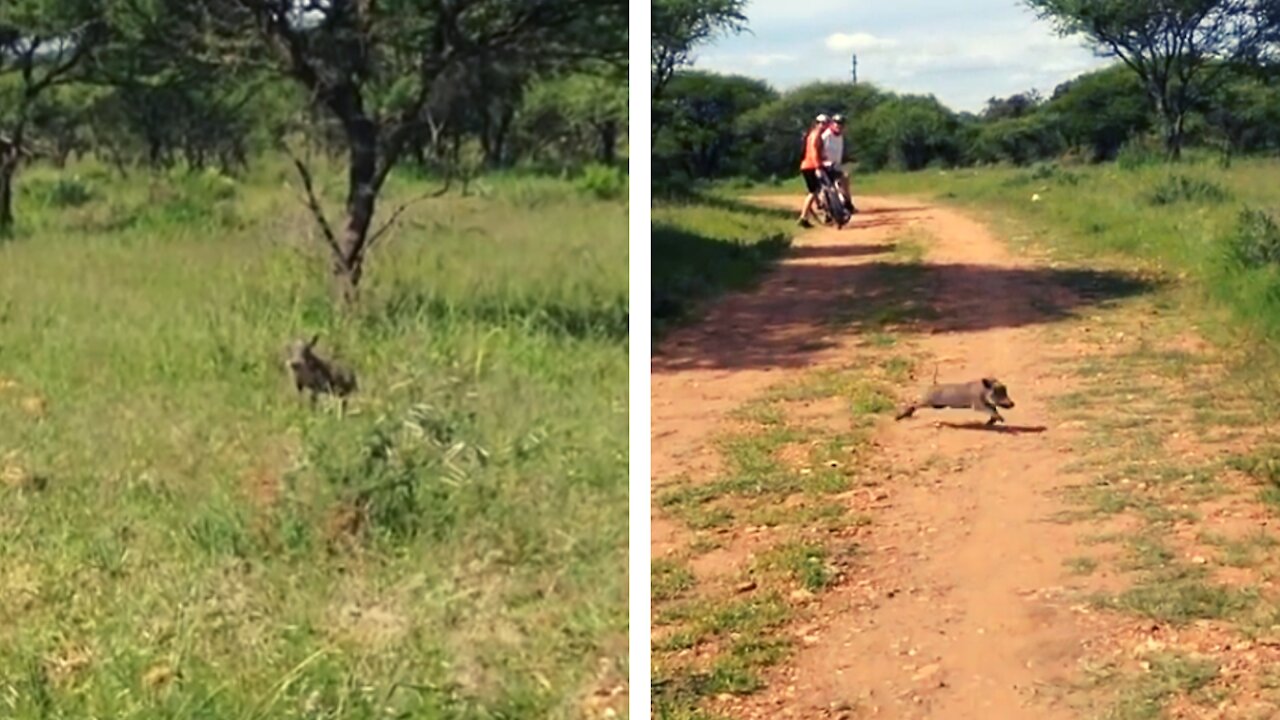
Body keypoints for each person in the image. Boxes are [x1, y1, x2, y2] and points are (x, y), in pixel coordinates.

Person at [797, 113, 830, 227]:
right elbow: (813, 152)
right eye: (820, 123)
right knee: (814, 192)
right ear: (816, 123)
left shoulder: (815, 134)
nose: (823, 125)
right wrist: (818, 166)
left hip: (809, 165)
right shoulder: (815, 135)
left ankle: (823, 210)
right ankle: (803, 217)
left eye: (825, 123)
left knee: (817, 190)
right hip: (810, 166)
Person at [821, 114, 855, 214]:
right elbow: (818, 149)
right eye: (836, 123)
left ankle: (847, 202)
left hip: (836, 165)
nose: (839, 126)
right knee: (826, 189)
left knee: (845, 178)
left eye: (841, 124)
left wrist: (848, 158)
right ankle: (827, 212)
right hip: (824, 165)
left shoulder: (840, 137)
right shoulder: (826, 136)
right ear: (832, 124)